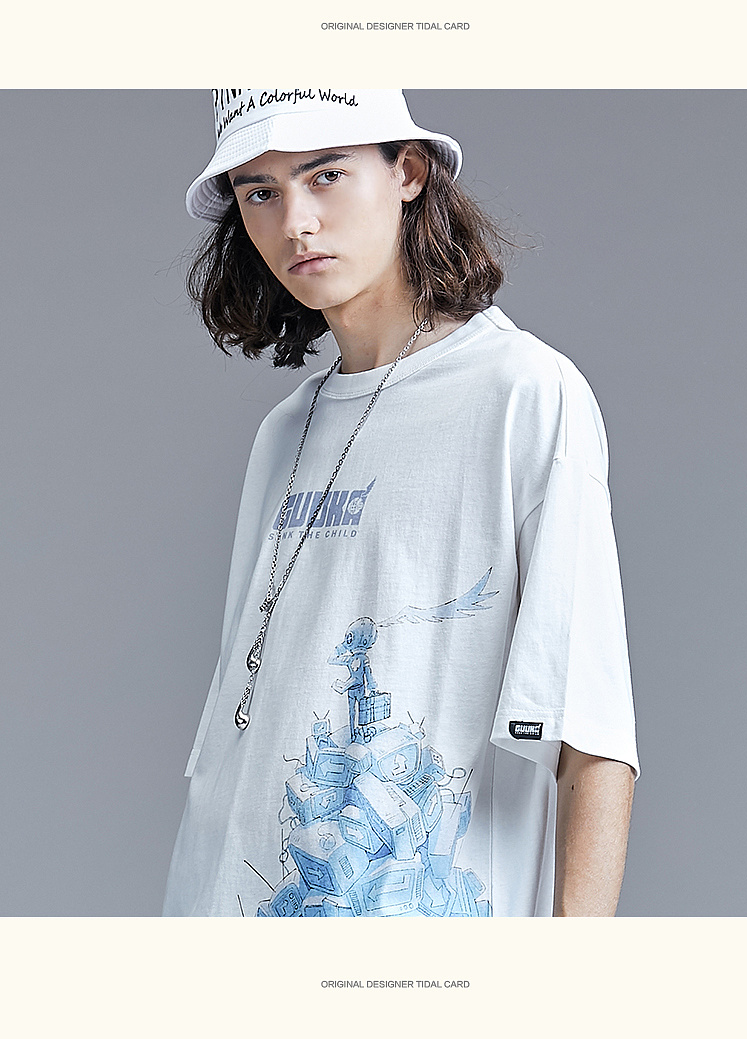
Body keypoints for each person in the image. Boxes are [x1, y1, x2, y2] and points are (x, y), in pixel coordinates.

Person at [162, 89, 639, 918]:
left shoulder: (523, 393)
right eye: (260, 191)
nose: (296, 223)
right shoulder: (284, 434)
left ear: (408, 172)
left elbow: (589, 730)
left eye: (326, 175)